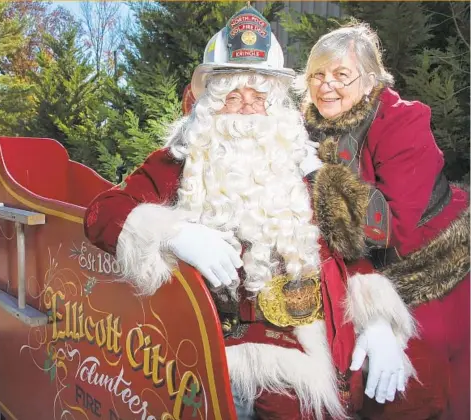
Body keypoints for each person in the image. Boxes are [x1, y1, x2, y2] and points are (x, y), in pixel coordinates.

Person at [85, 8, 447, 419]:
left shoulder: (298, 159)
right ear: (210, 104)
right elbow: (102, 212)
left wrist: (377, 321)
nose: (245, 109)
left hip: (313, 349)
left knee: (420, 393)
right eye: (232, 96)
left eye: (258, 98)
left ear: (274, 105)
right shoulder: (180, 161)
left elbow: (345, 252)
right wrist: (171, 234)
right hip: (220, 354)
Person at [300, 23, 470, 419]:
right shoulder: (305, 125)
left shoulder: (401, 121)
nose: (326, 85)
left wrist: (318, 177)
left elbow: (391, 230)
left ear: (370, 79)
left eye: (341, 75)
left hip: (430, 267)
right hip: (360, 274)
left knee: (418, 387)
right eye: (317, 75)